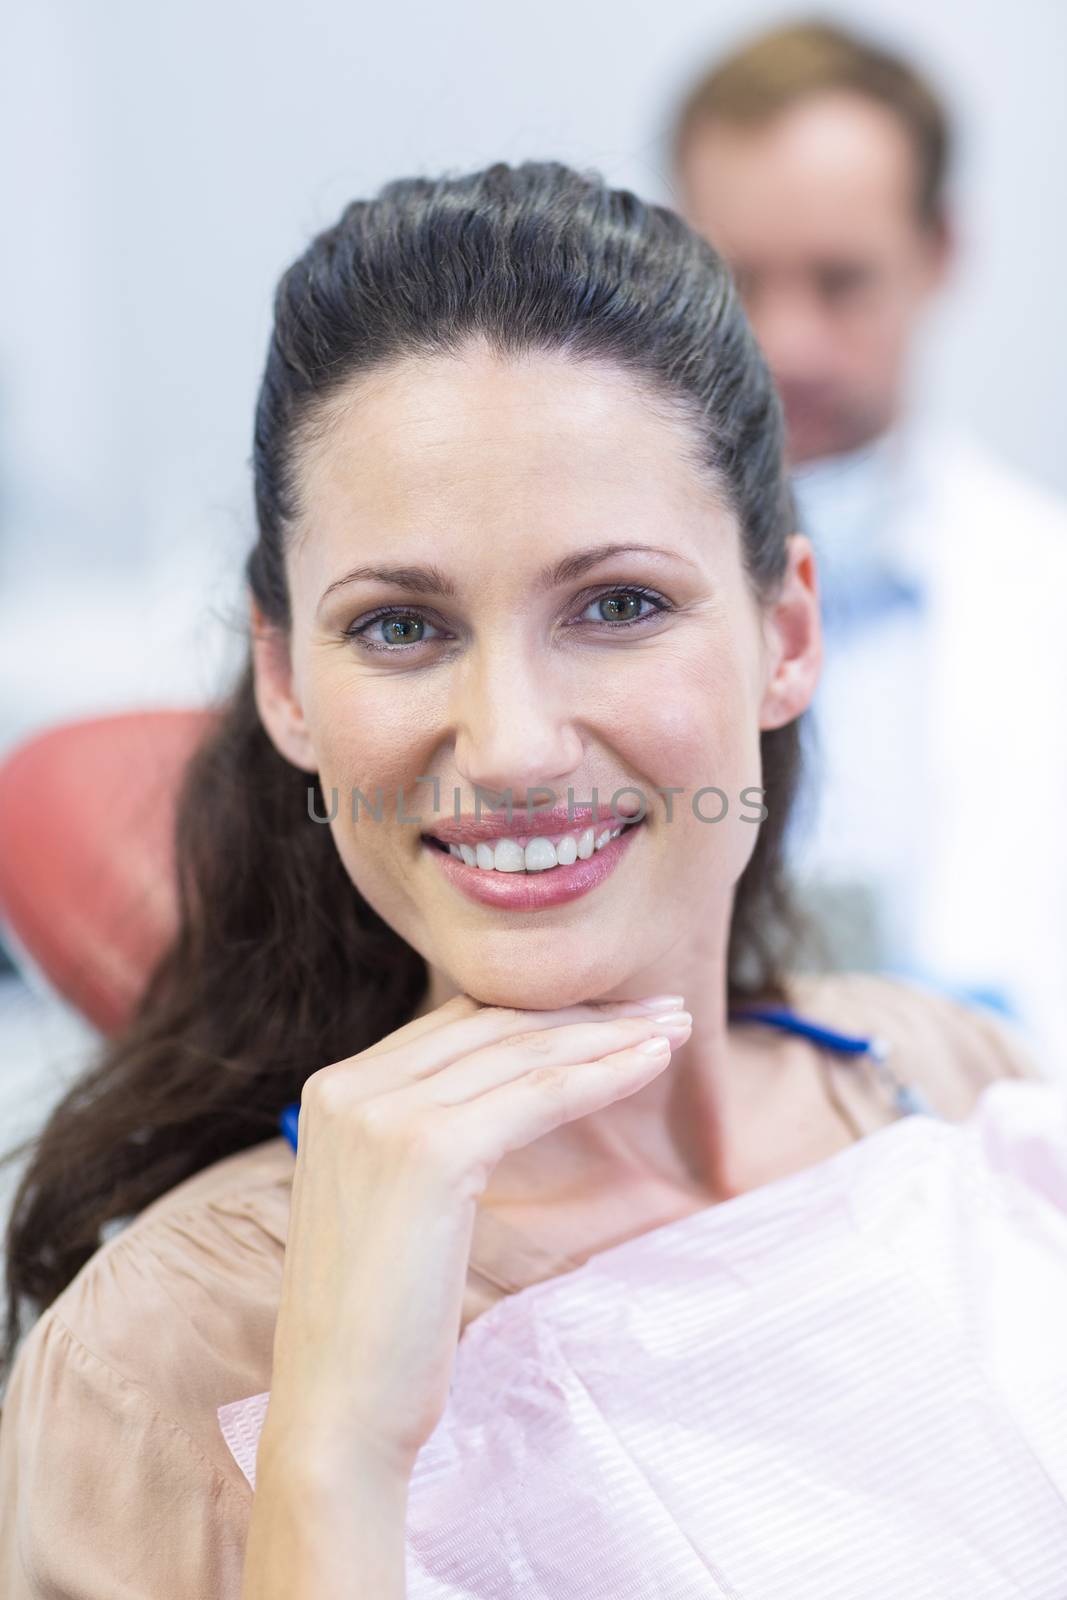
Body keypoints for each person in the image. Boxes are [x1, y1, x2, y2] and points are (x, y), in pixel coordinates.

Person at [0, 161, 1043, 1598]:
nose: (510, 747)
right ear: (284, 682)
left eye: (616, 606)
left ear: (785, 633)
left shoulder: (941, 1081)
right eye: (400, 626)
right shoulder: (164, 1351)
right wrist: (335, 1451)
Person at [669, 20, 1067, 1067]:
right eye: (740, 278)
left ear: (937, 253)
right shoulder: (580, 589)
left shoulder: (1041, 588)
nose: (786, 341)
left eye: (840, 281)